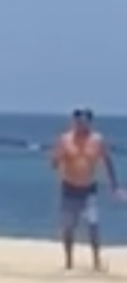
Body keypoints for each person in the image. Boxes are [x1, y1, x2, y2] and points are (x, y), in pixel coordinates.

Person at [50, 108, 122, 270]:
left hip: (89, 189)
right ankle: (69, 262)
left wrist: (114, 186)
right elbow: (53, 163)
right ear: (73, 122)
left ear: (89, 122)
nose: (80, 125)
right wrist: (57, 158)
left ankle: (96, 261)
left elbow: (108, 162)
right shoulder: (65, 140)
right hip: (69, 188)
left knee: (93, 224)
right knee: (68, 227)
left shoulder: (97, 140)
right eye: (77, 122)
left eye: (83, 122)